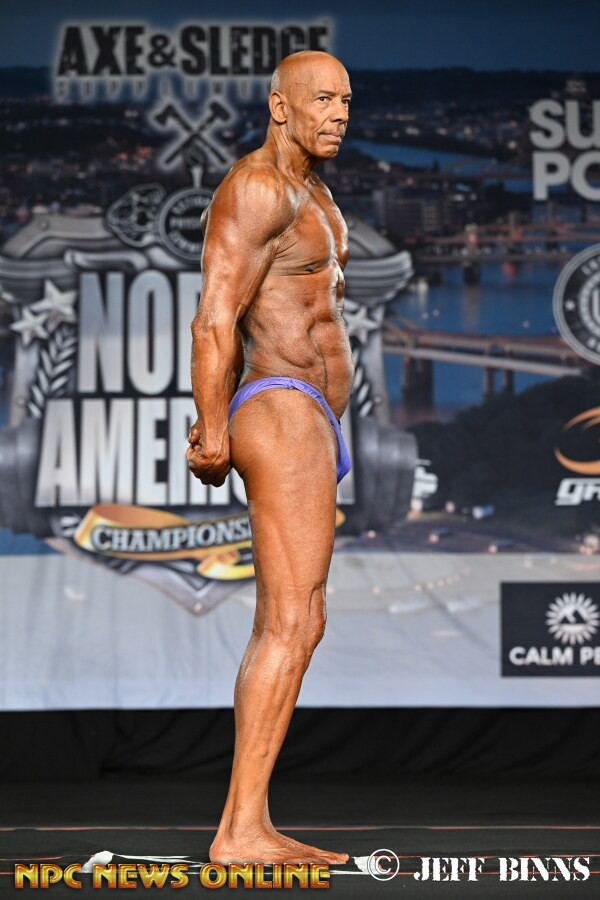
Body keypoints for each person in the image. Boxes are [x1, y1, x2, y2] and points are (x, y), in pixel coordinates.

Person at [186, 49, 353, 865]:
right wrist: (212, 426)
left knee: (302, 620)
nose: (339, 113)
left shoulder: (313, 192)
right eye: (322, 99)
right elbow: (216, 315)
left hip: (311, 416)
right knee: (289, 622)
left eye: (345, 100)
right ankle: (240, 832)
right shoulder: (257, 188)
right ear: (279, 106)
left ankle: (248, 824)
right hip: (280, 407)